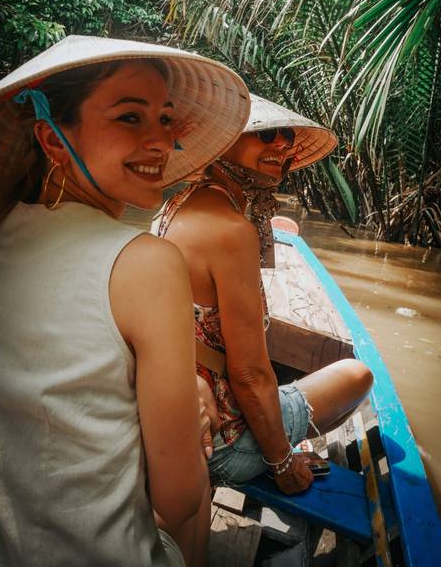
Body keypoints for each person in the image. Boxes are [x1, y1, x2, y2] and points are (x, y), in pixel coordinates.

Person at [0, 35, 250, 567]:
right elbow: (174, 501)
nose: (161, 142)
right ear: (54, 139)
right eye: (131, 118)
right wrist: (195, 420)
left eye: (165, 119)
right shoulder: (146, 261)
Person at [153, 93, 373, 495]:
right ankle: (278, 448)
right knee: (357, 375)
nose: (283, 145)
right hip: (220, 445)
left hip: (173, 406)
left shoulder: (179, 203)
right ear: (222, 141)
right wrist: (283, 464)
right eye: (267, 134)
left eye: (287, 137)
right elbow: (250, 375)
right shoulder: (232, 231)